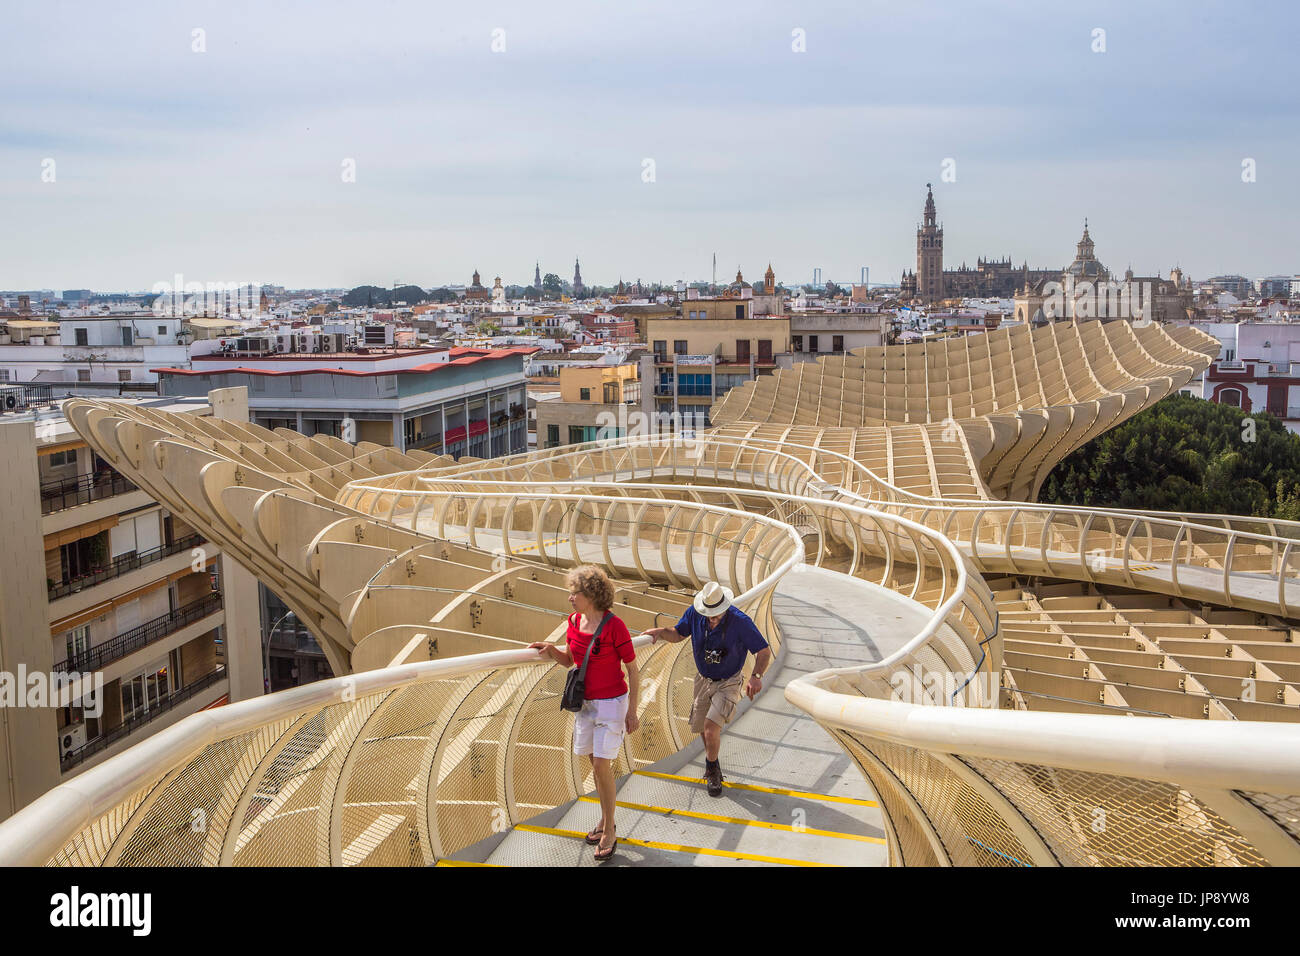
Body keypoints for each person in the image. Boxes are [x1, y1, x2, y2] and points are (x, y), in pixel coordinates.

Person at [529, 564, 639, 861]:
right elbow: (570, 661)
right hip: (586, 705)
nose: (570, 598)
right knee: (595, 764)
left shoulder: (615, 626)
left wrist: (633, 711)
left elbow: (632, 669)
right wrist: (552, 650)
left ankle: (610, 831)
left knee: (602, 766)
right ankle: (606, 820)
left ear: (589, 594)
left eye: (573, 593)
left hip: (613, 704)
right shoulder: (574, 621)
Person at [645, 581, 771, 797]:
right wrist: (660, 632)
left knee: (711, 728)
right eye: (709, 614)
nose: (712, 618)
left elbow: (764, 651)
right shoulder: (695, 614)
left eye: (717, 614)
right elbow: (678, 633)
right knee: (703, 728)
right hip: (703, 680)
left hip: (728, 681)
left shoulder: (740, 622)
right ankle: (714, 764)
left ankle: (711, 771)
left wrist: (756, 677)